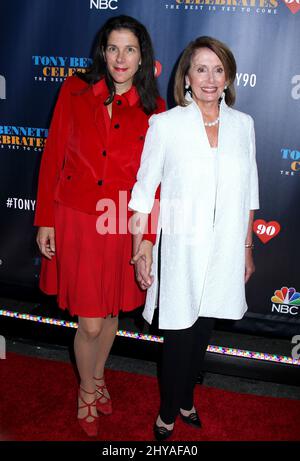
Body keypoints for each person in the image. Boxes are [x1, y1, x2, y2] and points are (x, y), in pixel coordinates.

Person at [34, 15, 165, 437]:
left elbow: (156, 183)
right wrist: (45, 221)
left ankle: (98, 377)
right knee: (89, 321)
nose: (120, 58)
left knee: (110, 313)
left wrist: (145, 238)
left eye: (129, 49)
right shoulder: (74, 90)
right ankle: (87, 390)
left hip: (121, 221)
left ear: (142, 56)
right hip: (75, 218)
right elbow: (53, 155)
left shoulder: (154, 109)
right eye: (113, 48)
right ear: (102, 52)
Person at [129, 36, 259, 441]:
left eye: (218, 69)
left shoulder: (243, 125)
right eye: (201, 69)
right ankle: (169, 409)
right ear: (186, 76)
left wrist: (246, 248)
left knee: (203, 330)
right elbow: (144, 190)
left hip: (224, 249)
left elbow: (250, 189)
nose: (210, 78)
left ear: (228, 77)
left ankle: (187, 398)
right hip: (181, 248)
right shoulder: (166, 125)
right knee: (179, 334)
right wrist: (142, 247)